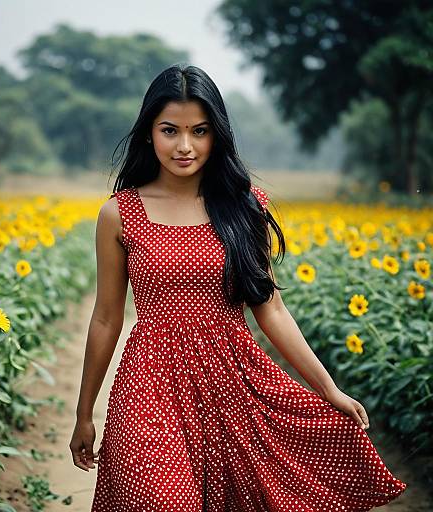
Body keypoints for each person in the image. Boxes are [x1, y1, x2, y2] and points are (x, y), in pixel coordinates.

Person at [70, 64, 407, 511]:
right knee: (161, 501)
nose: (185, 146)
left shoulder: (246, 209)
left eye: (200, 131)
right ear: (149, 133)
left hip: (234, 380)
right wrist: (83, 413)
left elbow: (272, 310)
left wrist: (329, 390)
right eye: (170, 130)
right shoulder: (119, 214)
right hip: (149, 383)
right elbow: (107, 318)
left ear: (217, 135)